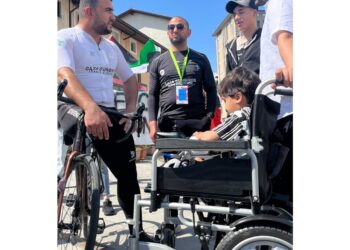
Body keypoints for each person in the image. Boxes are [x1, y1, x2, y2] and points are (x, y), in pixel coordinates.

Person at [57, 0, 153, 241]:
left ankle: (136, 231)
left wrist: (130, 112)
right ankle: (61, 180)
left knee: (128, 172)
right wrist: (89, 106)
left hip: (107, 110)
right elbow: (63, 73)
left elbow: (131, 79)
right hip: (71, 105)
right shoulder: (66, 37)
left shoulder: (111, 48)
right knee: (78, 124)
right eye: (109, 10)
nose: (114, 16)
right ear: (89, 11)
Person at [148, 16, 218, 142]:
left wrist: (209, 116)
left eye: (180, 27)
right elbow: (153, 94)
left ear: (188, 32)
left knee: (199, 161)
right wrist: (153, 124)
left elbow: (211, 89)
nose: (175, 30)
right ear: (168, 32)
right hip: (168, 124)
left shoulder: (201, 58)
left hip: (197, 123)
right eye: (171, 27)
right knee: (172, 162)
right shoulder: (157, 62)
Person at [257, 0, 293, 201]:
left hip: (285, 109)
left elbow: (284, 36)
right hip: (280, 107)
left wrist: (292, 66)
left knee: (283, 193)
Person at [193, 66, 259, 143]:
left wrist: (199, 135)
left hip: (244, 155)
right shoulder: (257, 115)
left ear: (238, 97)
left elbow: (211, 136)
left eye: (224, 100)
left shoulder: (240, 117)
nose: (224, 106)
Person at [225, 0, 262, 74]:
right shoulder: (231, 47)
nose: (236, 18)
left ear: (254, 13)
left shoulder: (265, 39)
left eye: (241, 12)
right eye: (234, 14)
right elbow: (228, 79)